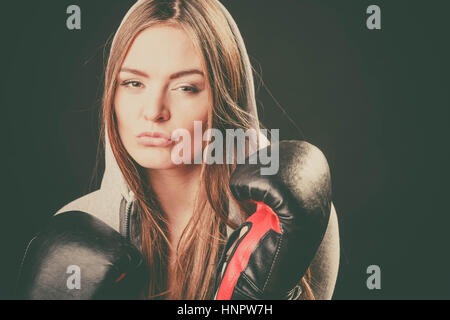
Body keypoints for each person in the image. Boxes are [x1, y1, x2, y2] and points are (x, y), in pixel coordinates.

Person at [16, 0, 340, 300]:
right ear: (111, 95)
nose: (154, 110)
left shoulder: (282, 219)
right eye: (133, 83)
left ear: (224, 98)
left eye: (186, 87)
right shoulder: (78, 230)